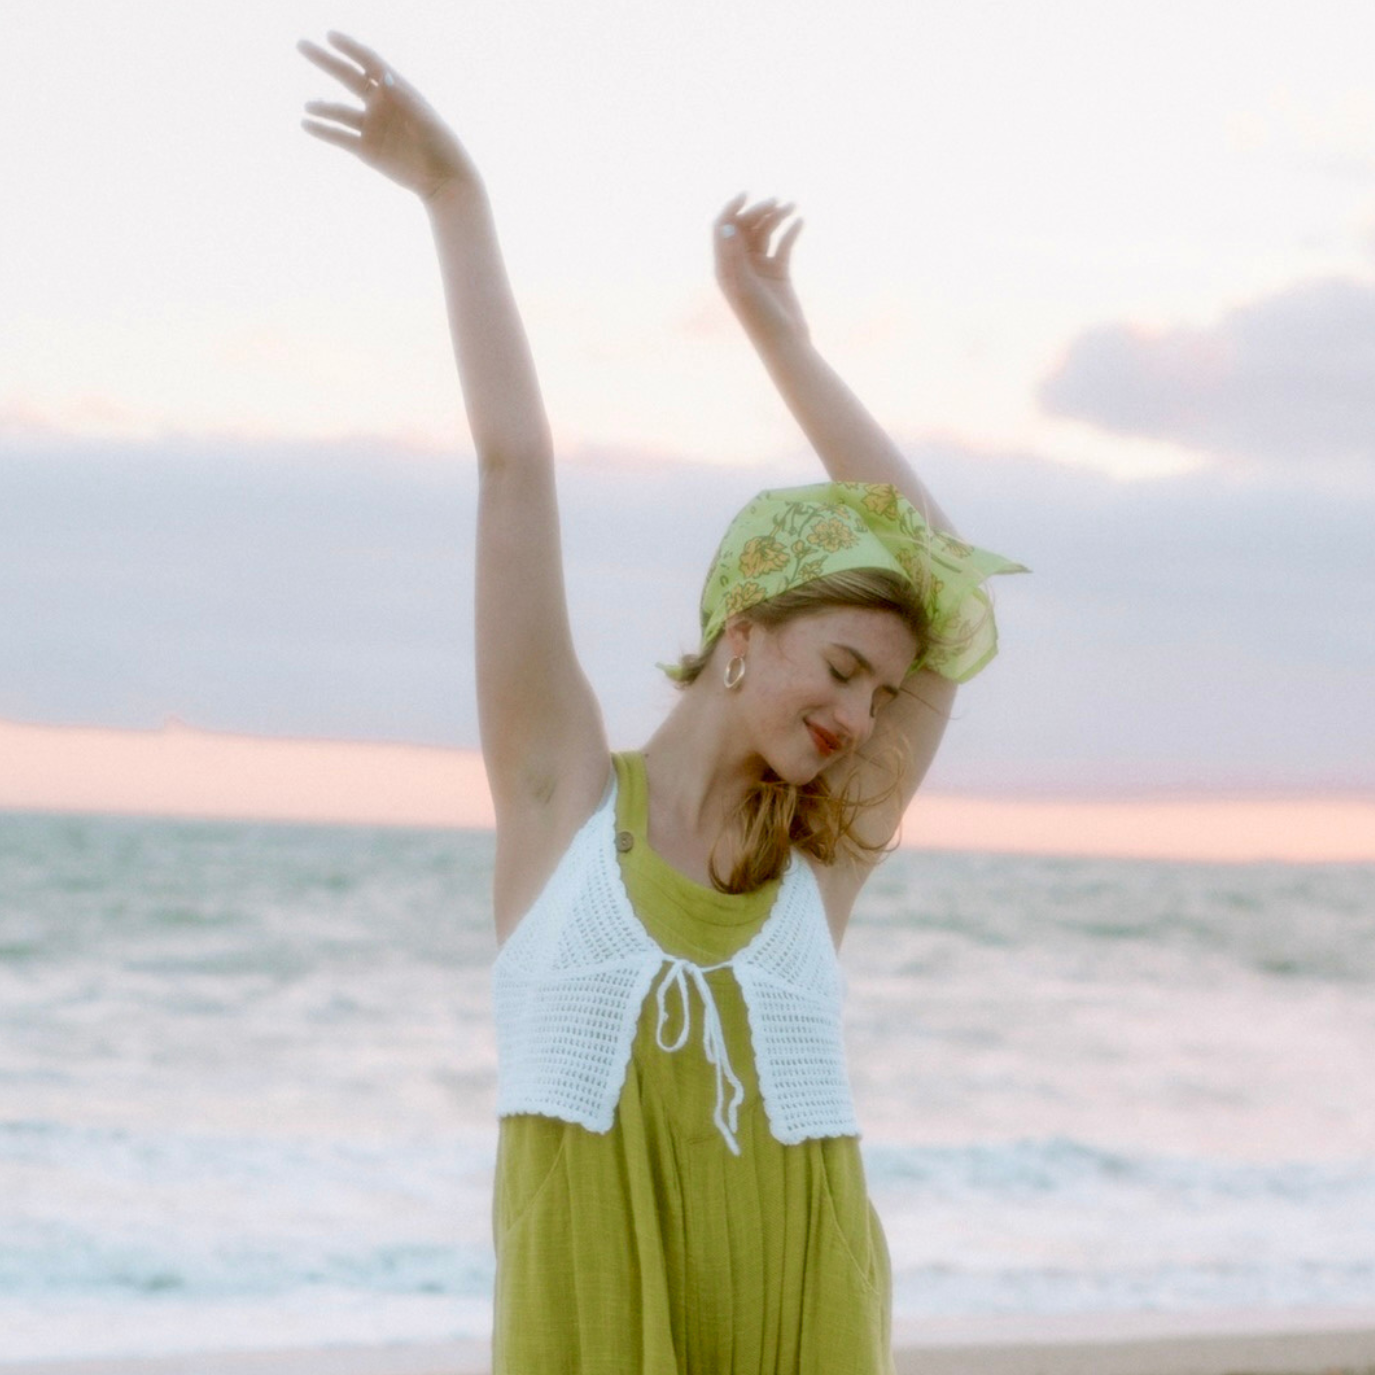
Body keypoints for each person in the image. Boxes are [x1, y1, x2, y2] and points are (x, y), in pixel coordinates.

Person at [299, 32, 1024, 1374]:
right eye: (842, 670)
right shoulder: (557, 794)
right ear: (741, 635)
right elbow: (514, 465)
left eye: (879, 692)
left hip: (807, 1326)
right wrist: (456, 199)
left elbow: (944, 579)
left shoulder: (820, 852)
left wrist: (778, 338)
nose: (861, 721)